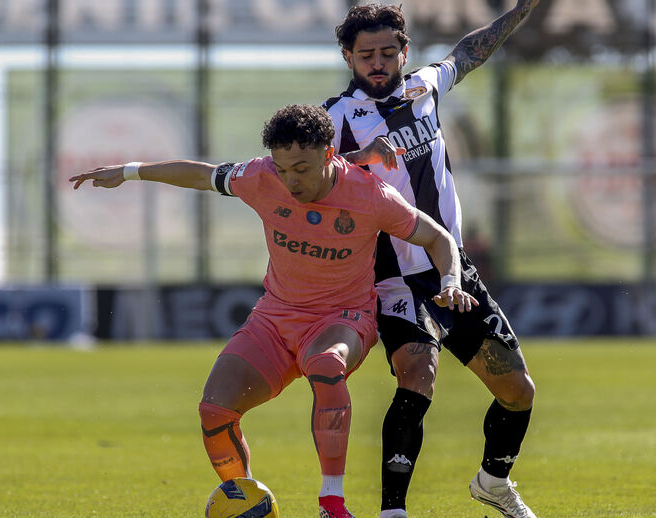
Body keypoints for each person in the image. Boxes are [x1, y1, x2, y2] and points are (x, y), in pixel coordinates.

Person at [68, 104, 477, 518]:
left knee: (326, 364)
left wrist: (451, 283)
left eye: (301, 168)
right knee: (214, 410)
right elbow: (200, 175)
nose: (290, 180)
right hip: (276, 318)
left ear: (329, 153)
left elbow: (439, 238)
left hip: (343, 319)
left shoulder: (369, 195)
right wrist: (129, 171)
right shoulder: (260, 177)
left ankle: (331, 503)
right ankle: (245, 501)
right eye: (283, 170)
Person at [322, 3, 539, 517]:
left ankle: (492, 481)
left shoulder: (425, 87)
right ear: (348, 57)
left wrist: (520, 12)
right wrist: (357, 160)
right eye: (365, 54)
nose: (377, 62)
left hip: (451, 267)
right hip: (391, 273)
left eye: (387, 52)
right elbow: (308, 182)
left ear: (404, 51)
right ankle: (392, 511)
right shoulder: (335, 116)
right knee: (416, 371)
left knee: (518, 391)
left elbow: (469, 50)